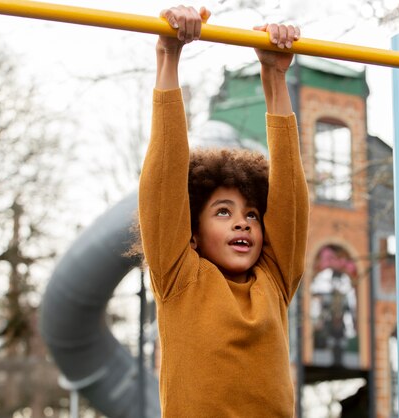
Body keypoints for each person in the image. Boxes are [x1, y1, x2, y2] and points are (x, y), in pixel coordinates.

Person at [138, 5, 308, 417]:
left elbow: (290, 198)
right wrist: (169, 56)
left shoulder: (274, 279)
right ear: (192, 231)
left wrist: (275, 78)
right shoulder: (180, 277)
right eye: (223, 212)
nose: (241, 222)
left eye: (252, 214)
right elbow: (164, 178)